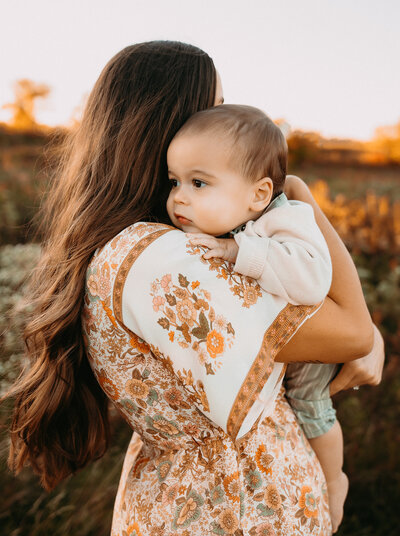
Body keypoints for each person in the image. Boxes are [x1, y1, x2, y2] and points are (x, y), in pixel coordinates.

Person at [7, 41, 384, 536]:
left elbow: (315, 318)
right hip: (231, 508)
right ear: (171, 125)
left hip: (203, 500)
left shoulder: (155, 242)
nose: (224, 123)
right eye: (216, 108)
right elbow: (351, 332)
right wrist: (297, 194)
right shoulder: (162, 260)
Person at [165, 103, 347, 531]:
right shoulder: (229, 215)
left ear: (259, 195)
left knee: (312, 406)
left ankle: (335, 480)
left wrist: (238, 253)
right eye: (173, 182)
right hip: (276, 342)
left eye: (198, 183)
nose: (179, 196)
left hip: (310, 346)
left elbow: (313, 279)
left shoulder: (287, 218)